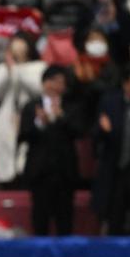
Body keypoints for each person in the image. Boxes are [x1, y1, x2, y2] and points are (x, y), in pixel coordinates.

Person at [19, 65, 82, 235]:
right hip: (40, 172)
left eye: (61, 82)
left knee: (65, 220)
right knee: (40, 219)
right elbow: (24, 135)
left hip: (64, 172)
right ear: (44, 83)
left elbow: (78, 131)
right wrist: (40, 122)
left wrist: (61, 117)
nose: (57, 86)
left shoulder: (71, 107)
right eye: (53, 81)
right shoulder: (31, 106)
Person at [0, 33, 46, 184]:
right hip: (6, 122)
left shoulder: (39, 67)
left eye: (21, 43)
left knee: (26, 165)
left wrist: (17, 70)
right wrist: (7, 69)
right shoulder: (3, 68)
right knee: (4, 173)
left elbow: (39, 89)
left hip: (30, 121)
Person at [95, 66, 130, 233]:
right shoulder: (110, 102)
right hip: (115, 170)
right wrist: (104, 130)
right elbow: (96, 135)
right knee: (115, 216)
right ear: (125, 83)